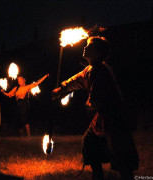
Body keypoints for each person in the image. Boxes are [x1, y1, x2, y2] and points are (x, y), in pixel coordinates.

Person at [52, 37, 139, 180]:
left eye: (90, 46)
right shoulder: (90, 69)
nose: (85, 47)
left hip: (115, 118)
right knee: (89, 141)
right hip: (103, 117)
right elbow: (76, 80)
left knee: (121, 155)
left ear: (98, 53)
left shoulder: (100, 71)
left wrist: (89, 104)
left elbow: (96, 98)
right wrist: (61, 89)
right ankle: (97, 174)